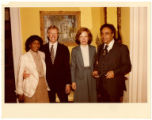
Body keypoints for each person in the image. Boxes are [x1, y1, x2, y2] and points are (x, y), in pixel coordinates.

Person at [92, 24, 131, 102]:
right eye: (102, 33)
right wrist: (96, 71)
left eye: (107, 33)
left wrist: (114, 72)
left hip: (115, 87)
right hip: (101, 86)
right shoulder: (100, 47)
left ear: (112, 34)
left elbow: (127, 66)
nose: (103, 36)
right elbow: (97, 63)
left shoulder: (122, 48)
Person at [41, 25, 71, 102]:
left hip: (62, 83)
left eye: (55, 33)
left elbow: (67, 67)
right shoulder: (42, 49)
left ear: (58, 35)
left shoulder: (64, 49)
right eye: (51, 33)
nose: (53, 35)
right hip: (47, 84)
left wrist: (68, 83)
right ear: (47, 34)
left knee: (65, 104)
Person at [16, 35, 50, 103]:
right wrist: (20, 91)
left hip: (42, 84)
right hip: (30, 86)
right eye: (34, 43)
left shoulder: (42, 54)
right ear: (29, 45)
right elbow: (19, 75)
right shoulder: (24, 57)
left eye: (38, 43)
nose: (36, 45)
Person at [71, 27, 97, 102]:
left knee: (92, 96)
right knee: (81, 97)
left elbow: (95, 64)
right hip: (79, 77)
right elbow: (73, 67)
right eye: (81, 36)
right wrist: (73, 81)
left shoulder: (93, 49)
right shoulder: (75, 50)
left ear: (89, 38)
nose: (83, 39)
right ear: (78, 38)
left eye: (85, 36)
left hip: (91, 75)